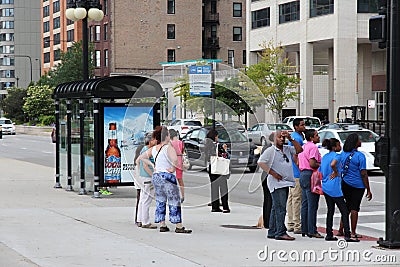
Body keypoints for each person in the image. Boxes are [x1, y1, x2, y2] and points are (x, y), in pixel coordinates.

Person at [136, 126, 192, 234]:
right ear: (166, 136)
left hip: (157, 176)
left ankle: (162, 224)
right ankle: (178, 225)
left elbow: (142, 157)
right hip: (167, 176)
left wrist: (152, 164)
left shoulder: (154, 149)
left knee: (160, 200)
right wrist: (172, 168)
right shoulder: (168, 147)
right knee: (174, 201)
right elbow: (175, 159)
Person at [258, 130, 303, 241]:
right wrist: (273, 173)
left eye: (283, 138)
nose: (282, 139)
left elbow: (299, 150)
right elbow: (261, 162)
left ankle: (272, 231)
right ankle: (280, 232)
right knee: (280, 208)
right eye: (279, 137)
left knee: (275, 207)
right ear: (274, 139)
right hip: (276, 183)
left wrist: (291, 138)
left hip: (286, 182)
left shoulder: (287, 149)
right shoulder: (271, 151)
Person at [331, 133, 372, 239]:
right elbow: (363, 173)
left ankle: (341, 229)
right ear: (355, 143)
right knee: (354, 208)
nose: (360, 141)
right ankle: (353, 232)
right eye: (359, 140)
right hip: (358, 185)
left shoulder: (343, 154)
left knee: (346, 207)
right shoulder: (360, 156)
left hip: (345, 183)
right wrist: (368, 189)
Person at [320, 138, 359, 242]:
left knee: (330, 210)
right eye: (338, 145)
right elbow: (333, 164)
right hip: (334, 187)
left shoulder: (324, 157)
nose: (340, 147)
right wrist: (336, 171)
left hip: (325, 185)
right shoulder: (337, 155)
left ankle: (329, 234)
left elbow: (321, 170)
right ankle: (347, 234)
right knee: (345, 211)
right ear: (334, 147)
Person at [298, 129, 323, 238]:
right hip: (310, 174)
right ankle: (312, 229)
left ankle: (304, 228)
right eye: (316, 135)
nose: (318, 137)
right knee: (312, 204)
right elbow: (312, 163)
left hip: (303, 174)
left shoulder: (303, 147)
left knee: (305, 203)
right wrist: (320, 164)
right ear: (311, 138)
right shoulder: (313, 147)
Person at [286, 118, 305, 234]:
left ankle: (291, 223)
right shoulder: (296, 138)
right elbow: (295, 155)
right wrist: (300, 168)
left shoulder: (296, 136)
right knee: (297, 198)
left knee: (292, 198)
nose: (304, 127)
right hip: (296, 172)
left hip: (291, 171)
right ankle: (297, 224)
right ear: (296, 126)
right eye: (302, 125)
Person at [205, 129, 230, 213]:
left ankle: (215, 206)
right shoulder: (217, 146)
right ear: (215, 136)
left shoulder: (207, 145)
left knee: (214, 188)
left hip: (212, 168)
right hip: (219, 169)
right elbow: (224, 156)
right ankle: (225, 206)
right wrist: (225, 150)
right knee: (223, 188)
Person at [136, 134, 157, 229]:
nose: (156, 141)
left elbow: (137, 161)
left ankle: (140, 219)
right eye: (155, 139)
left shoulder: (143, 149)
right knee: (147, 200)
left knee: (142, 199)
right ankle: (146, 221)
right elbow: (145, 165)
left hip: (142, 176)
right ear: (151, 140)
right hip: (147, 177)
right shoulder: (147, 150)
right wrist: (153, 176)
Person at [259, 132, 274, 228]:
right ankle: (269, 222)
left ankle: (267, 221)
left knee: (267, 199)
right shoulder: (272, 149)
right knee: (271, 200)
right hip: (269, 175)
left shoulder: (265, 147)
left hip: (264, 175)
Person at [169, 129, 185, 202]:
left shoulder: (170, 143)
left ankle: (174, 195)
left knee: (172, 180)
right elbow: (182, 151)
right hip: (180, 161)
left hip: (173, 161)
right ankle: (182, 195)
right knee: (180, 180)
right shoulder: (181, 143)